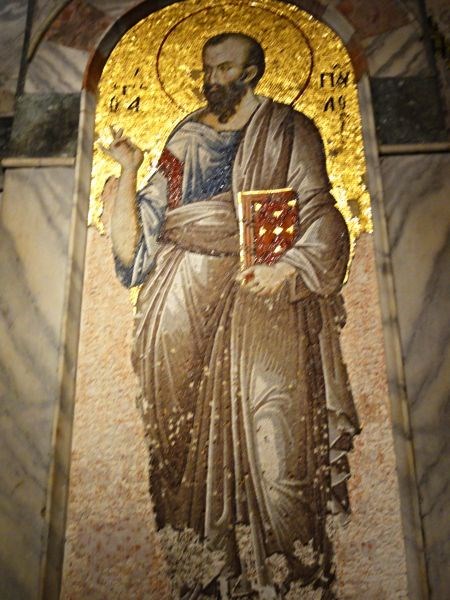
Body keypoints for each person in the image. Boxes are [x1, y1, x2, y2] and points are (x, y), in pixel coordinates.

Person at [103, 32, 359, 599]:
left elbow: (320, 211)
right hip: (179, 299)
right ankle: (210, 579)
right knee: (180, 449)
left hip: (264, 302)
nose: (213, 79)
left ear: (252, 73)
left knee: (279, 452)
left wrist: (289, 266)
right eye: (207, 68)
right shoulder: (186, 138)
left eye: (225, 68)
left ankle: (293, 583)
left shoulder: (289, 130)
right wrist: (129, 172)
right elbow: (142, 236)